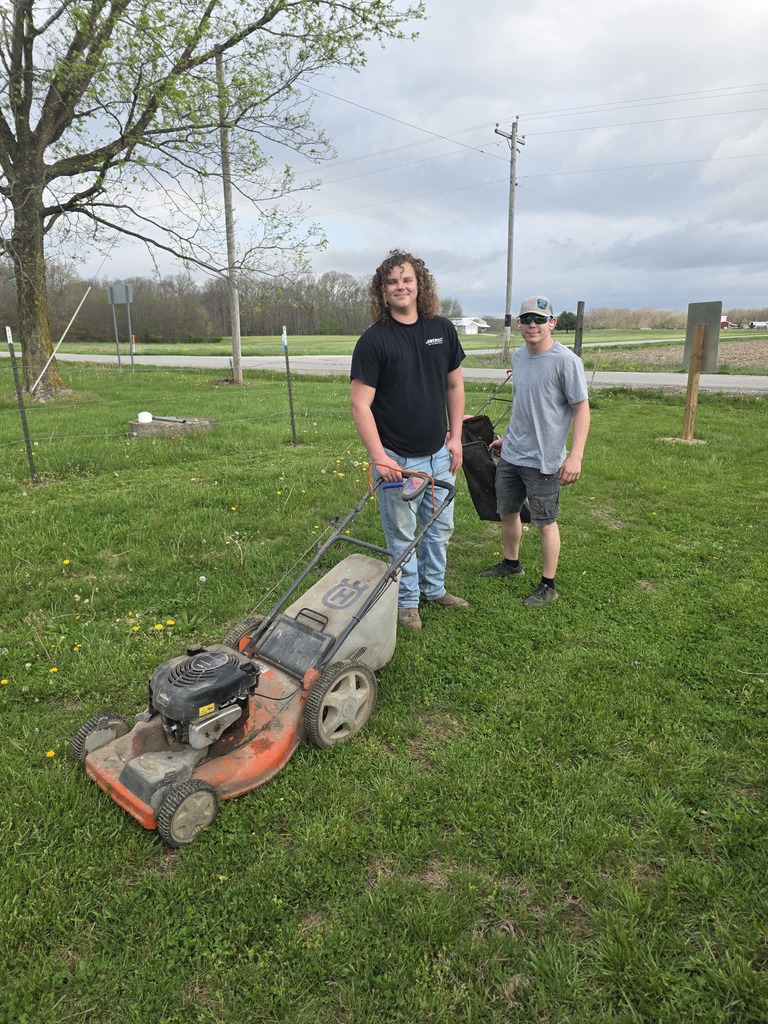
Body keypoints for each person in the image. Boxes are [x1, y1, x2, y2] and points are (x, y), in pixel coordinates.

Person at [350, 249, 467, 630]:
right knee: (402, 536)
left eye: (407, 280)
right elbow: (360, 404)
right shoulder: (374, 341)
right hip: (399, 462)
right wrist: (380, 457)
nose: (400, 287)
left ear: (420, 285)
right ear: (382, 292)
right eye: (392, 282)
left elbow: (454, 384)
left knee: (439, 530)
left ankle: (435, 589)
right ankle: (407, 602)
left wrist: (456, 438)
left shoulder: (442, 330)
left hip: (439, 454)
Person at [480, 295, 590, 607]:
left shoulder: (566, 361)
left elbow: (581, 410)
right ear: (518, 324)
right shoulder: (518, 357)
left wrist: (576, 455)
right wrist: (509, 438)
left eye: (540, 319)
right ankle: (511, 563)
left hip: (544, 459)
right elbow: (523, 403)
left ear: (552, 323)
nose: (533, 325)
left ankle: (548, 584)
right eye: (527, 319)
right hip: (513, 454)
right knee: (508, 512)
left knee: (544, 522)